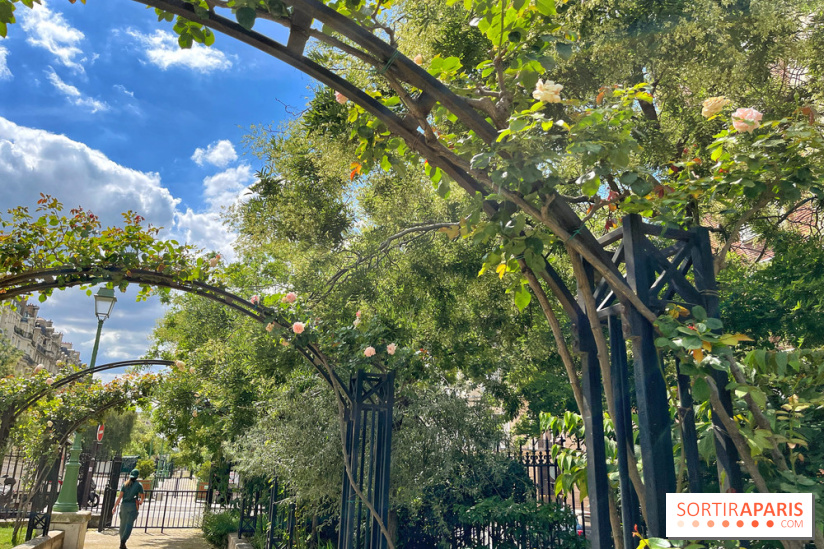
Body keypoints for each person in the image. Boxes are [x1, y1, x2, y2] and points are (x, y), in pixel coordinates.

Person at [112, 469, 145, 549]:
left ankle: (121, 542)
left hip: (124, 506)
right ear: (137, 476)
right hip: (133, 506)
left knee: (122, 524)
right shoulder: (138, 485)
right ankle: (123, 540)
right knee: (129, 524)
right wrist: (140, 501)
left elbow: (120, 497)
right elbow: (142, 495)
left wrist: (115, 507)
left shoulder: (125, 484)